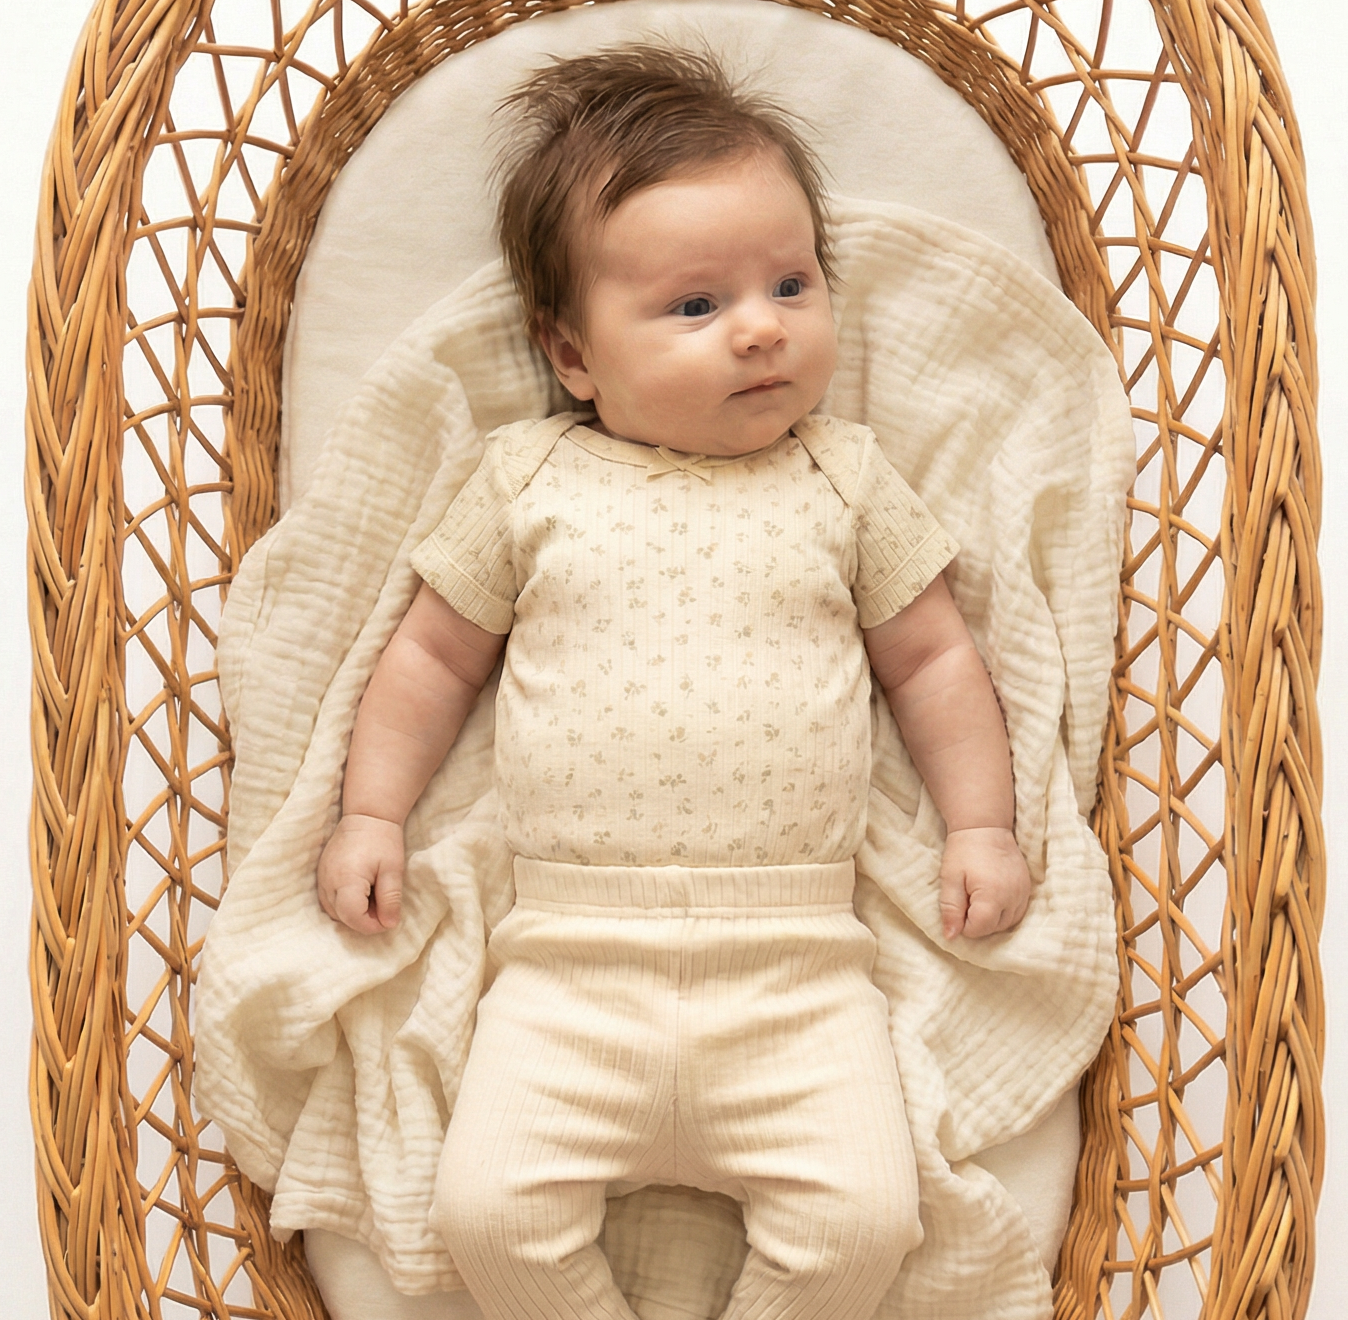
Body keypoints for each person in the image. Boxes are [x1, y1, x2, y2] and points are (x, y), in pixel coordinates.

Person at [315, 43, 1032, 1320]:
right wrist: (373, 811)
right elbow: (430, 655)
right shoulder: (529, 480)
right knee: (486, 1216)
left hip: (799, 972)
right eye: (696, 305)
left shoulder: (845, 477)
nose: (761, 325)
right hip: (567, 970)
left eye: (791, 283)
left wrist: (979, 825)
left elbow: (931, 658)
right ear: (573, 356)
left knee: (867, 1224)